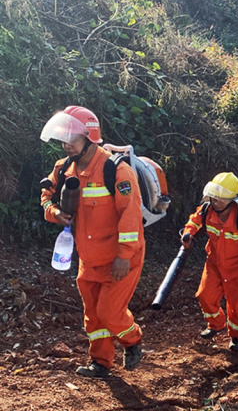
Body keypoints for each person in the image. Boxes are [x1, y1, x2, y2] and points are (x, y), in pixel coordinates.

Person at [40, 106, 145, 378]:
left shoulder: (116, 171)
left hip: (120, 259)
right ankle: (100, 363)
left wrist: (124, 256)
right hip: (89, 257)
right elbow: (46, 196)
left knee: (110, 313)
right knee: (94, 317)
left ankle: (132, 341)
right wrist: (54, 212)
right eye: (63, 138)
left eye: (71, 138)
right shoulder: (63, 168)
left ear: (89, 137)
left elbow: (131, 217)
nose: (66, 144)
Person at [182, 172, 238, 352]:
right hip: (214, 265)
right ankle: (216, 324)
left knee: (237, 307)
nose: (216, 200)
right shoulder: (207, 209)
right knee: (204, 295)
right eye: (214, 196)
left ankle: (236, 337)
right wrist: (188, 233)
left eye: (221, 198)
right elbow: (194, 221)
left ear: (232, 200)